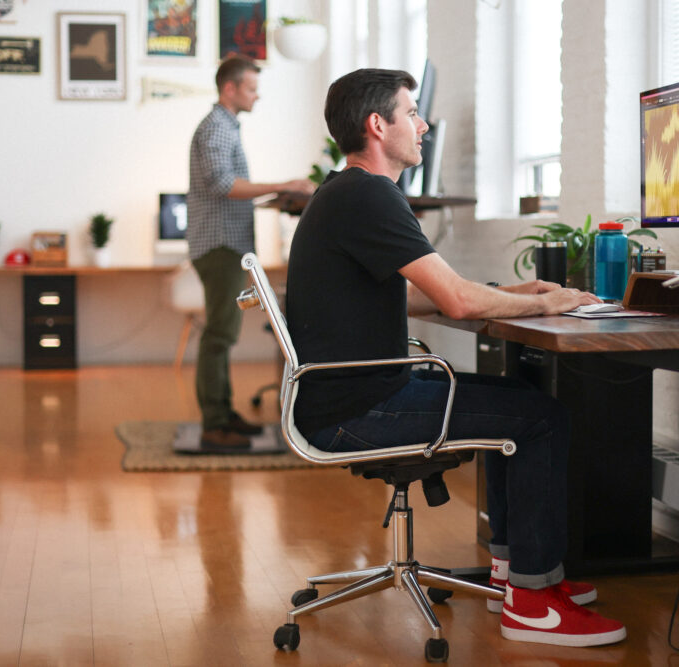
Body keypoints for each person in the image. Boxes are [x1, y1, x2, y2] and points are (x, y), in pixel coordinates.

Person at [285, 68, 627, 648]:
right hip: (359, 407)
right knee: (541, 418)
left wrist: (519, 295)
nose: (422, 125)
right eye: (412, 112)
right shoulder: (369, 194)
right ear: (377, 125)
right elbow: (457, 300)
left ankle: (515, 572)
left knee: (517, 402)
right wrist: (553, 305)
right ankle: (533, 603)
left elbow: (420, 291)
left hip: (347, 393)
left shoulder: (348, 192)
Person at [187, 56, 312, 451]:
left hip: (227, 243)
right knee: (219, 334)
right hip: (220, 244)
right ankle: (213, 424)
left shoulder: (224, 128)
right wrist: (283, 184)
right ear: (230, 88)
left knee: (223, 332)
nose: (257, 96)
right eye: (252, 88)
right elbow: (223, 184)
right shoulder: (216, 130)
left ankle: (223, 416)